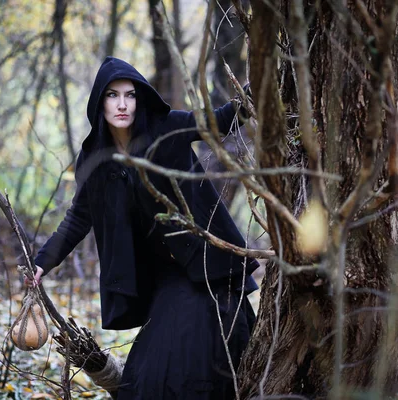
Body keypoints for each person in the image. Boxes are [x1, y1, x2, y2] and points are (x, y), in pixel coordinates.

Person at [29, 56, 259, 399]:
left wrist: (259, 87)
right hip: (167, 280)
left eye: (130, 94)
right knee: (151, 370)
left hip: (211, 271)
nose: (122, 104)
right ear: (99, 102)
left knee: (198, 362)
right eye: (112, 95)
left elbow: (217, 122)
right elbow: (79, 217)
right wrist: (42, 261)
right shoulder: (95, 159)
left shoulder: (166, 128)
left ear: (140, 99)